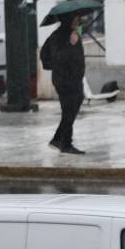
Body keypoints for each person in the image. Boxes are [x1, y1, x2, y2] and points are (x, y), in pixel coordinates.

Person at [44, 13, 86, 154]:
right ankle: (65, 143)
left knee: (72, 108)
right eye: (76, 18)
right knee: (69, 111)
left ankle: (58, 139)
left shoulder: (73, 33)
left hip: (75, 79)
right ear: (69, 20)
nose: (78, 20)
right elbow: (56, 57)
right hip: (64, 80)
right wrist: (70, 44)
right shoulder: (58, 36)